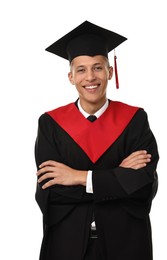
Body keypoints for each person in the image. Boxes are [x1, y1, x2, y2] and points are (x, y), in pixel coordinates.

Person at [35, 20, 159, 260]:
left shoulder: (134, 120)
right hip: (66, 245)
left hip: (127, 244)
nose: (90, 77)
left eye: (98, 67)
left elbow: (143, 185)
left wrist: (79, 177)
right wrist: (117, 177)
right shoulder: (50, 123)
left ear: (110, 71)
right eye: (81, 69)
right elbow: (51, 192)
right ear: (71, 76)